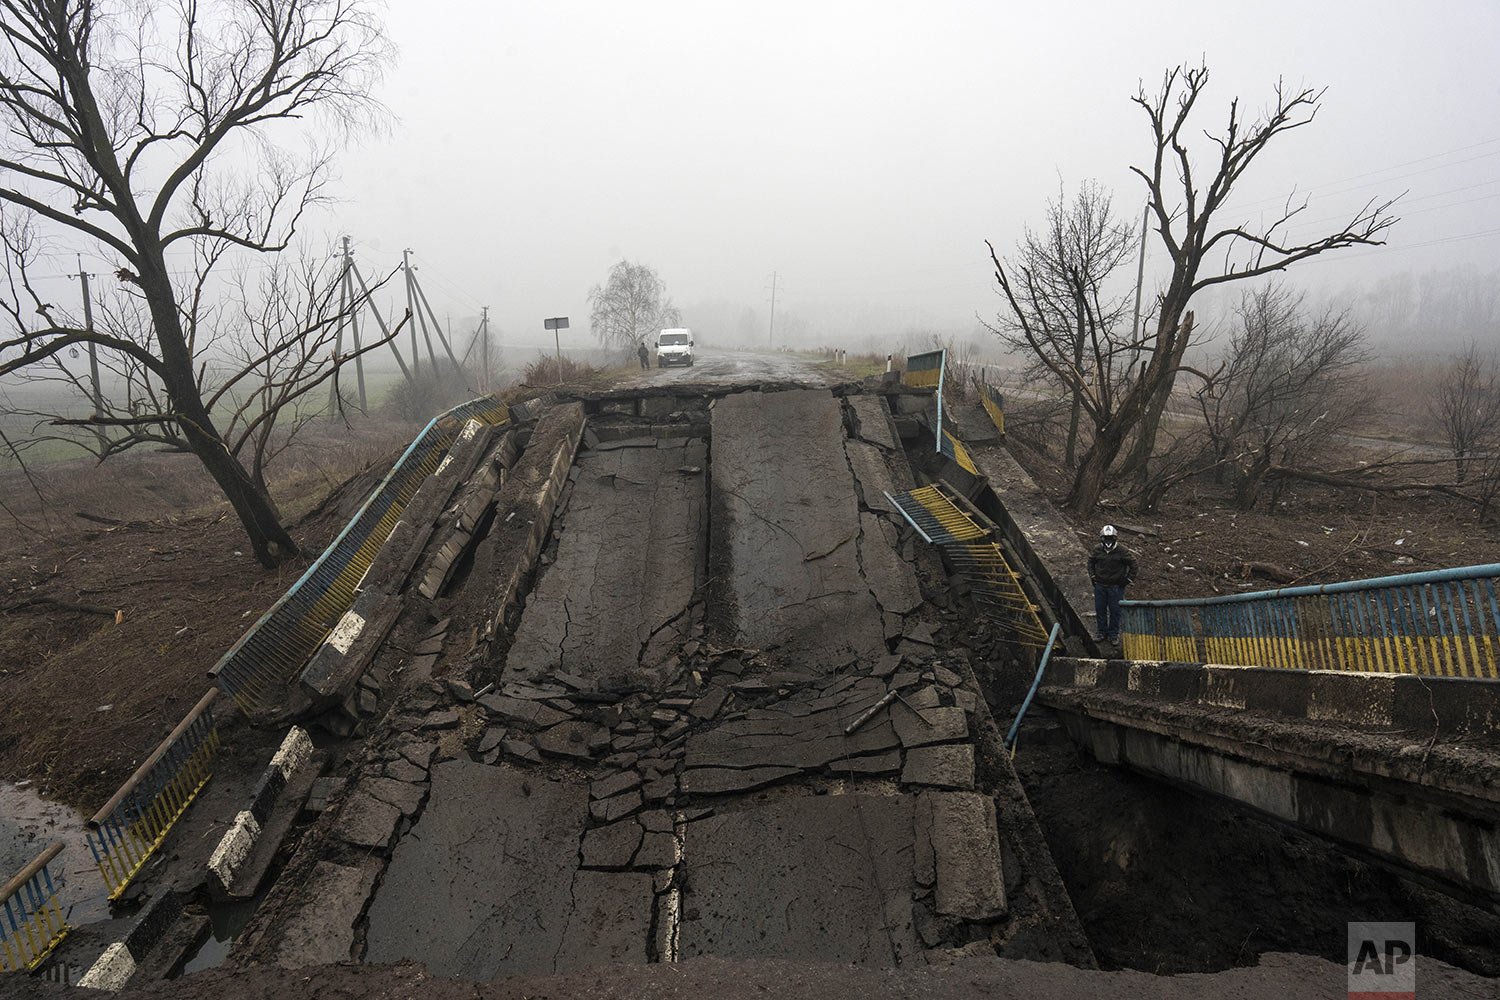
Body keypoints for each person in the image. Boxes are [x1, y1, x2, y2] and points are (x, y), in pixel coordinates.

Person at [1088, 524, 1137, 646]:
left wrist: (1127, 580)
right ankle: (1101, 632)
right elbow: (1090, 562)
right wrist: (1093, 576)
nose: (1108, 541)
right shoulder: (1097, 549)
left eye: (1110, 538)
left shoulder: (1122, 551)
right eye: (1106, 538)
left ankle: (1113, 634)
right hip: (1100, 585)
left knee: (1115, 611)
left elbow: (1134, 565)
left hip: (1115, 587)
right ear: (1102, 538)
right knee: (1100, 609)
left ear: (1115, 538)